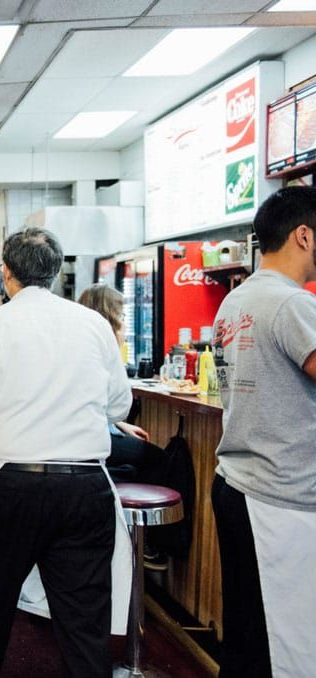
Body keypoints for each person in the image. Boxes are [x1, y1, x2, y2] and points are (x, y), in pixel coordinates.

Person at [0, 228, 132, 677]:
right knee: (84, 623)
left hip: (15, 484)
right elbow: (119, 405)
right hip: (88, 485)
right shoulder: (94, 325)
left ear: (6, 274)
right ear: (55, 273)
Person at [210, 186, 316, 676]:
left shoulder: (235, 301)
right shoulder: (292, 304)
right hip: (279, 496)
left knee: (248, 636)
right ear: (303, 236)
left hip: (237, 483)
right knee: (285, 647)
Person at [77, 283, 160, 482]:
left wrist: (120, 425)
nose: (124, 322)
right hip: (93, 438)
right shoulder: (105, 343)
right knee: (158, 459)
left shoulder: (77, 343)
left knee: (134, 464)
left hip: (76, 436)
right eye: (122, 316)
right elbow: (119, 405)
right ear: (110, 315)